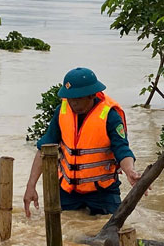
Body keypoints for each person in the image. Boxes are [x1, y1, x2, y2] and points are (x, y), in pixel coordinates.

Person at [22, 68, 141, 217]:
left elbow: (122, 149)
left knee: (113, 227)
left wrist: (130, 171)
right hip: (68, 191)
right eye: (70, 98)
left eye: (77, 98)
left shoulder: (110, 115)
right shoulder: (62, 112)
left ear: (92, 95)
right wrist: (30, 186)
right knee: (67, 229)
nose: (73, 103)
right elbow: (43, 149)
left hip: (102, 192)